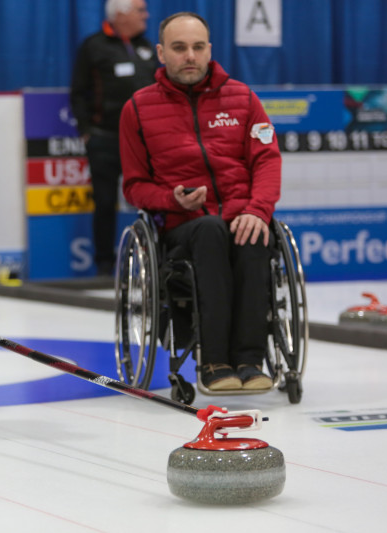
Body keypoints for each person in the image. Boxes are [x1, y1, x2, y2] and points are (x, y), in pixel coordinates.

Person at [119, 12, 281, 391]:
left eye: (197, 47)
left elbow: (267, 160)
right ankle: (214, 363)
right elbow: (134, 187)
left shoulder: (243, 98)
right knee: (210, 230)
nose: (189, 55)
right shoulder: (138, 109)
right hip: (184, 227)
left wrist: (258, 210)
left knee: (254, 233)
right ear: (161, 53)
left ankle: (250, 361)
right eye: (179, 48)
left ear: (209, 50)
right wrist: (170, 199)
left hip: (242, 214)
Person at [70, 0, 157, 276]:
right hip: (105, 138)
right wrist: (87, 130)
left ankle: (154, 260)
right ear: (121, 14)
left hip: (145, 142)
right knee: (105, 203)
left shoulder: (147, 45)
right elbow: (78, 91)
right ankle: (105, 267)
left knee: (152, 200)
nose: (146, 15)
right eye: (140, 11)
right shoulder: (93, 45)